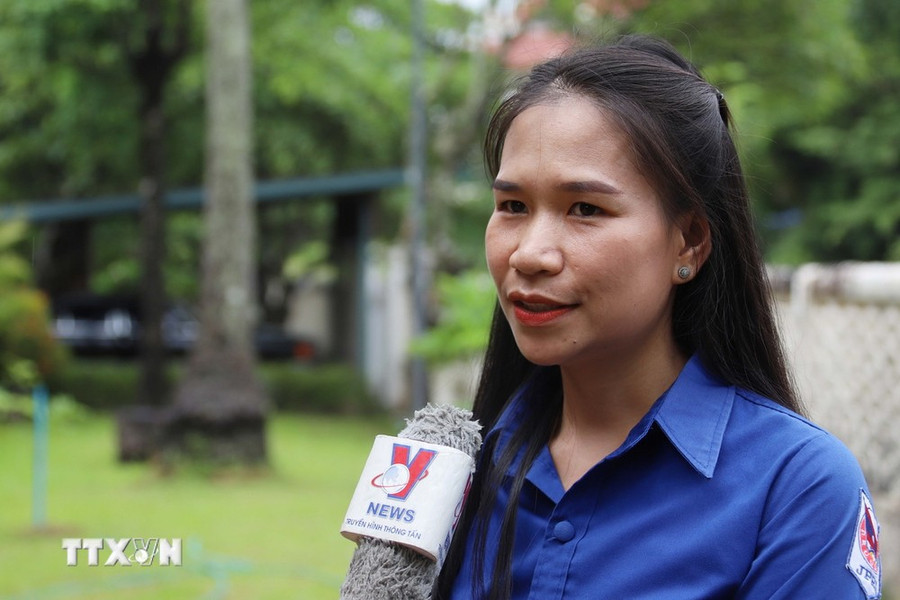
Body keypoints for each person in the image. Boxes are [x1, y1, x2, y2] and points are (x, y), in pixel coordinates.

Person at [435, 35, 882, 600]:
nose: (529, 254)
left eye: (585, 208)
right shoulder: (454, 470)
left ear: (688, 242)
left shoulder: (798, 488)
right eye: (513, 206)